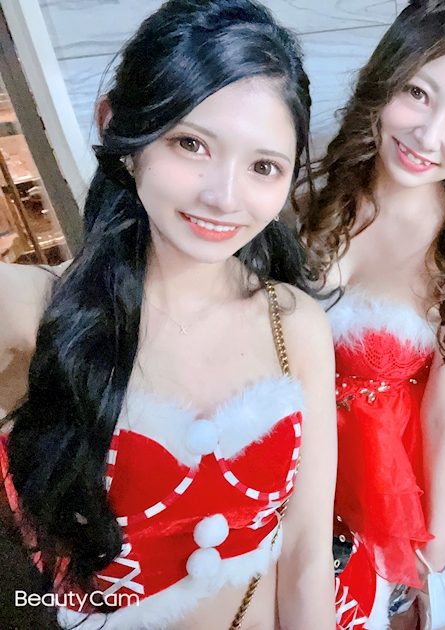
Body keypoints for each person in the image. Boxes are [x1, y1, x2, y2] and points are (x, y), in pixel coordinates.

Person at [0, 1, 336, 628]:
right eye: (191, 144)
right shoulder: (34, 309)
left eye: (263, 166)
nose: (223, 197)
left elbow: (307, 552)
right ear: (119, 129)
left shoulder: (294, 325)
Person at [297, 0, 445, 627]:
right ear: (385, 78)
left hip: (384, 475)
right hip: (287, 447)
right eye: (418, 94)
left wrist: (436, 544)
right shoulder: (305, 194)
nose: (428, 137)